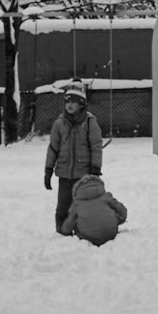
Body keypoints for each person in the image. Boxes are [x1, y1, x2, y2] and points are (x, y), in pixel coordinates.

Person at [44, 82, 107, 235]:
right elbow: (53, 148)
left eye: (73, 102)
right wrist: (48, 170)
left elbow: (96, 147)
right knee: (63, 205)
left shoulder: (90, 123)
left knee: (83, 204)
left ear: (81, 104)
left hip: (83, 174)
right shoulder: (59, 124)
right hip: (65, 174)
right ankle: (62, 229)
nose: (69, 105)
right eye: (67, 101)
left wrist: (95, 168)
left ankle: (82, 229)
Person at [61, 172, 129, 245]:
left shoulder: (77, 204)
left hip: (88, 237)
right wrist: (117, 220)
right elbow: (123, 212)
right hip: (111, 233)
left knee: (77, 220)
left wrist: (66, 230)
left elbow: (68, 226)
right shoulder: (106, 197)